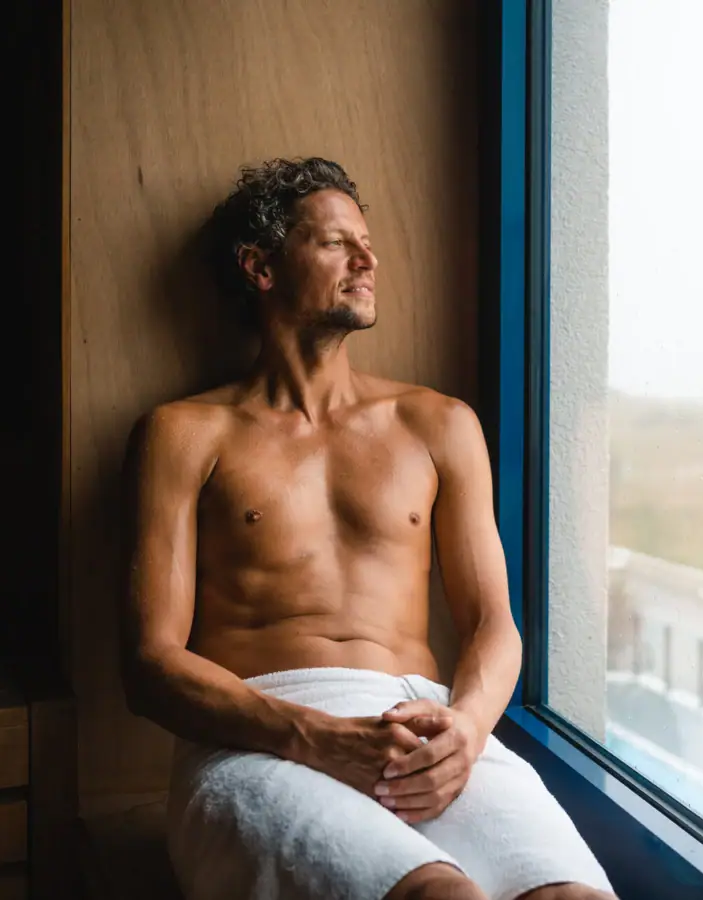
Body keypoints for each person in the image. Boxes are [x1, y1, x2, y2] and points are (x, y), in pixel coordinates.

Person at [121, 157, 615, 900]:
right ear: (260, 266)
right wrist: (316, 737)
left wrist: (469, 728)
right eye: (334, 243)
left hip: (421, 722)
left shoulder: (438, 424)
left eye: (368, 241)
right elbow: (150, 664)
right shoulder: (185, 434)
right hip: (255, 737)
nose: (368, 258)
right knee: (440, 897)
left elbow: (492, 624)